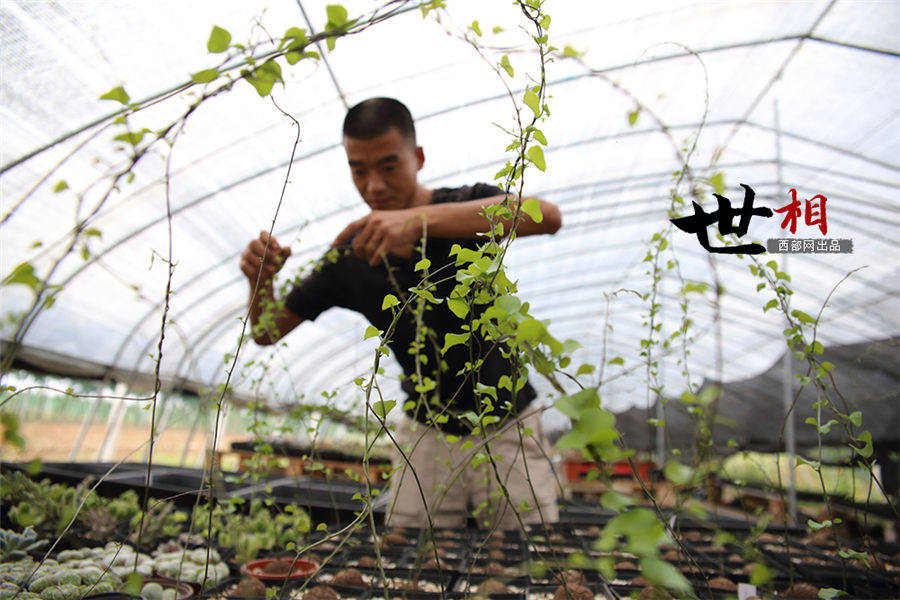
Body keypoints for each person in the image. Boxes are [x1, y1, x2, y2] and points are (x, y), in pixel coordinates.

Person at [240, 97, 562, 530]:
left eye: (388, 166)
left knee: (528, 555)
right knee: (414, 557)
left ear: (418, 158)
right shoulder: (350, 254)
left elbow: (547, 216)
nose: (373, 185)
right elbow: (267, 332)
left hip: (507, 425)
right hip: (425, 430)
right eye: (359, 170)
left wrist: (418, 221)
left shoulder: (464, 207)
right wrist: (261, 280)